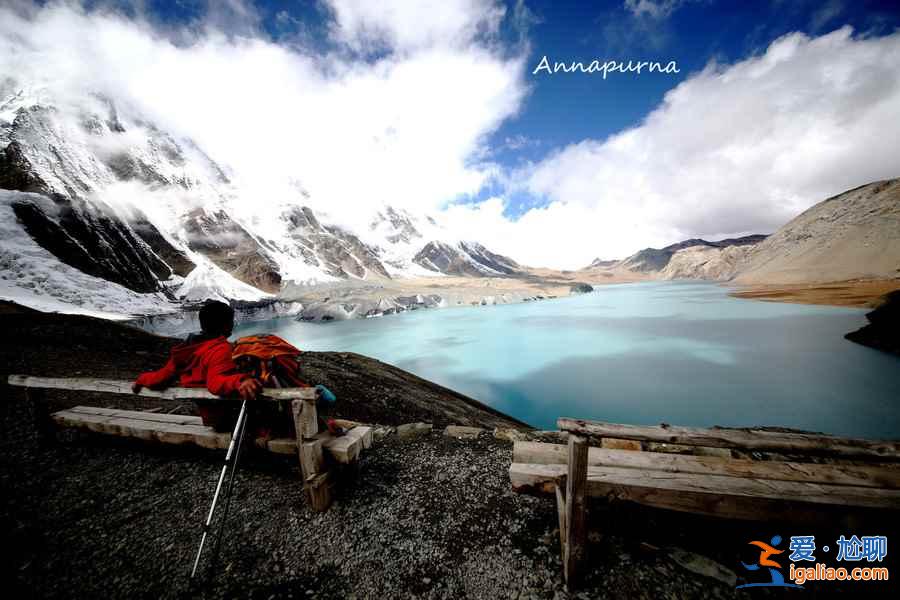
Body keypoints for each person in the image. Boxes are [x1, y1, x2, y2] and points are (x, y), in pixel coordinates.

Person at [132, 300, 262, 430]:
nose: (233, 325)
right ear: (226, 325)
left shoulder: (186, 351)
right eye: (231, 321)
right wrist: (242, 380)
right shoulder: (221, 349)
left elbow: (159, 377)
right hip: (231, 418)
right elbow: (216, 382)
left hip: (211, 418)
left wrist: (140, 380)